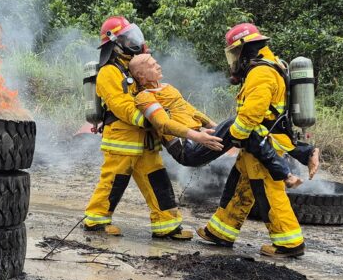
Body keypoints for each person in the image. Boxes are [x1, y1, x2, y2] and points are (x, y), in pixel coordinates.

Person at [197, 23, 310, 258]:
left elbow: (251, 115)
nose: (234, 60)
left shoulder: (261, 72)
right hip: (257, 141)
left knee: (268, 192)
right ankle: (220, 231)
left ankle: (289, 243)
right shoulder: (270, 65)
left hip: (262, 143)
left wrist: (234, 136)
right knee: (240, 185)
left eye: (235, 53)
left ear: (245, 49)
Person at [128, 54, 318, 188]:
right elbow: (163, 124)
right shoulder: (143, 97)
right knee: (241, 123)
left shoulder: (168, 88)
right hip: (187, 149)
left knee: (248, 128)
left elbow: (191, 111)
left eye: (156, 62)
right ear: (141, 76)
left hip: (197, 139)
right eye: (152, 66)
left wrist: (214, 127)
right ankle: (291, 167)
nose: (158, 66)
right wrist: (198, 136)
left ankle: (298, 161)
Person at [83, 16, 193, 240]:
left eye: (133, 37)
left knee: (158, 180)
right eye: (127, 38)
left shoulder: (131, 68)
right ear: (114, 42)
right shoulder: (109, 72)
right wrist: (147, 119)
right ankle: (96, 220)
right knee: (113, 182)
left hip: (146, 141)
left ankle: (167, 224)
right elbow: (120, 105)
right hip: (122, 142)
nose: (135, 42)